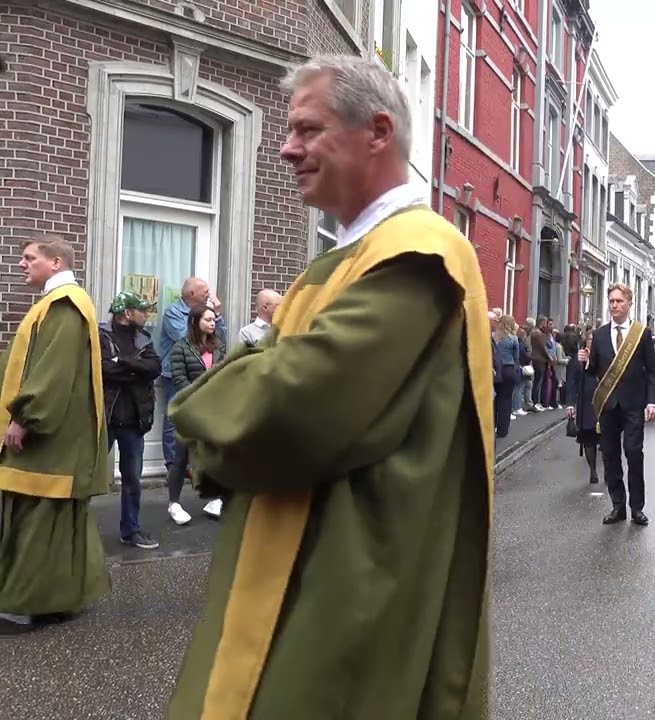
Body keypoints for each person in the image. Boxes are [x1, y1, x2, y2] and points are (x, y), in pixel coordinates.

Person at [163, 55, 493, 718]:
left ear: (377, 132)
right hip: (314, 552)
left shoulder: (413, 253)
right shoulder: (358, 252)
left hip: (347, 573)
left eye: (308, 130)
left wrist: (197, 412)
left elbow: (289, 410)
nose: (287, 148)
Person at [0, 235, 111, 635]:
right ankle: (59, 603)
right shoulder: (56, 304)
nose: (21, 264)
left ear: (56, 262)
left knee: (36, 520)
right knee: (57, 521)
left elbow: (53, 371)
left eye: (30, 258)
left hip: (49, 441)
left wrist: (24, 418)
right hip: (59, 440)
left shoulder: (64, 305)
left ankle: (27, 607)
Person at [571, 283, 655, 525]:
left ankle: (637, 508)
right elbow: (594, 371)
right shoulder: (600, 335)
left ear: (629, 303)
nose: (614, 305)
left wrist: (653, 401)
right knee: (611, 456)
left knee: (634, 454)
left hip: (633, 404)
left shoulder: (641, 334)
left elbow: (654, 371)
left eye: (619, 301)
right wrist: (584, 361)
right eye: (611, 301)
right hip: (608, 406)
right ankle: (618, 506)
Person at [100, 290, 162, 549]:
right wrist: (134, 368)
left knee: (133, 479)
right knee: (85, 474)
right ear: (128, 313)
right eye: (143, 310)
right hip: (106, 417)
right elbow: (103, 370)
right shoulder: (101, 336)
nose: (147, 315)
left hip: (134, 420)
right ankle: (72, 532)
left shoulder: (144, 339)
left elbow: (154, 368)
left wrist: (122, 364)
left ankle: (131, 530)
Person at [164, 304, 227, 524]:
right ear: (195, 322)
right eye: (208, 320)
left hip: (213, 408)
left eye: (214, 320)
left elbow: (225, 372)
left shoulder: (219, 346)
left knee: (214, 454)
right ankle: (174, 503)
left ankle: (216, 499)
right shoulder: (181, 347)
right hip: (189, 408)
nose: (212, 323)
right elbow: (179, 377)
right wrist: (198, 395)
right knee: (181, 456)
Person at [564, 327, 601, 484]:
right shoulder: (578, 357)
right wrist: (570, 404)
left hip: (602, 402)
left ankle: (611, 472)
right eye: (590, 339)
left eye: (595, 340)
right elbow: (571, 382)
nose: (592, 342)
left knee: (606, 439)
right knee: (588, 438)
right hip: (585, 403)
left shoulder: (604, 356)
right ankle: (592, 471)